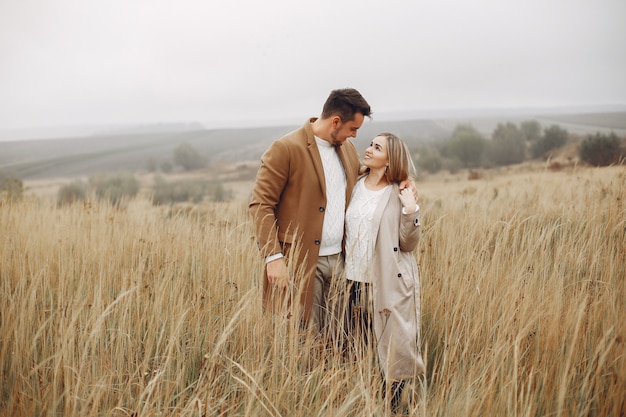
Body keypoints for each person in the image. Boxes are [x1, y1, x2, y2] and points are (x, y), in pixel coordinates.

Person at [248, 88, 372, 334]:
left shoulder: (346, 150)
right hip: (301, 261)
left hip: (339, 261)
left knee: (339, 337)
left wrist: (401, 180)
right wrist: (273, 259)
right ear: (335, 121)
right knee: (304, 339)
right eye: (353, 128)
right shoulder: (285, 148)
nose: (355, 135)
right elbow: (261, 204)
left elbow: (360, 181)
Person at [344, 132, 425, 413]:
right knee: (356, 348)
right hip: (351, 282)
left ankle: (397, 407)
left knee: (392, 351)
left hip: (385, 283)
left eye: (377, 148)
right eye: (370, 144)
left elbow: (409, 243)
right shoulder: (353, 186)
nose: (368, 149)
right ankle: (360, 403)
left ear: (390, 160)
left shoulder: (399, 192)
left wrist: (410, 209)